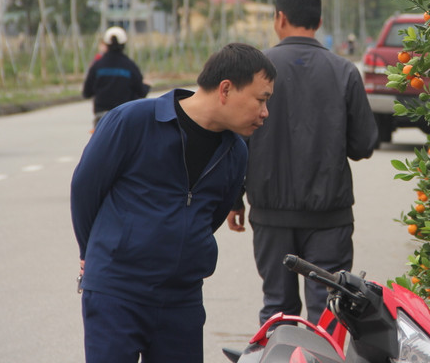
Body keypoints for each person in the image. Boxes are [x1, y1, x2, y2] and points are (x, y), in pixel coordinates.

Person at [70, 43, 276, 363]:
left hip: (182, 301)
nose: (265, 112)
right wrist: (92, 253)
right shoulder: (133, 121)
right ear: (226, 89)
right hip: (117, 292)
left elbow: (212, 215)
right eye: (261, 100)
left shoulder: (235, 152)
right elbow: (85, 190)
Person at [227, 0, 378, 325]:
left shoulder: (256, 71)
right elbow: (363, 144)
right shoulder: (343, 71)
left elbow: (236, 142)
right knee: (329, 311)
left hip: (269, 214)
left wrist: (234, 200)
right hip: (329, 216)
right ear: (320, 21)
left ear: (279, 18)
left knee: (277, 307)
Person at [82, 26, 148, 127]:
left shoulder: (97, 65)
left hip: (101, 118)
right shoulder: (130, 66)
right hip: (124, 117)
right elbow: (141, 92)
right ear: (124, 44)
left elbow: (86, 93)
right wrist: (147, 86)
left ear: (106, 44)